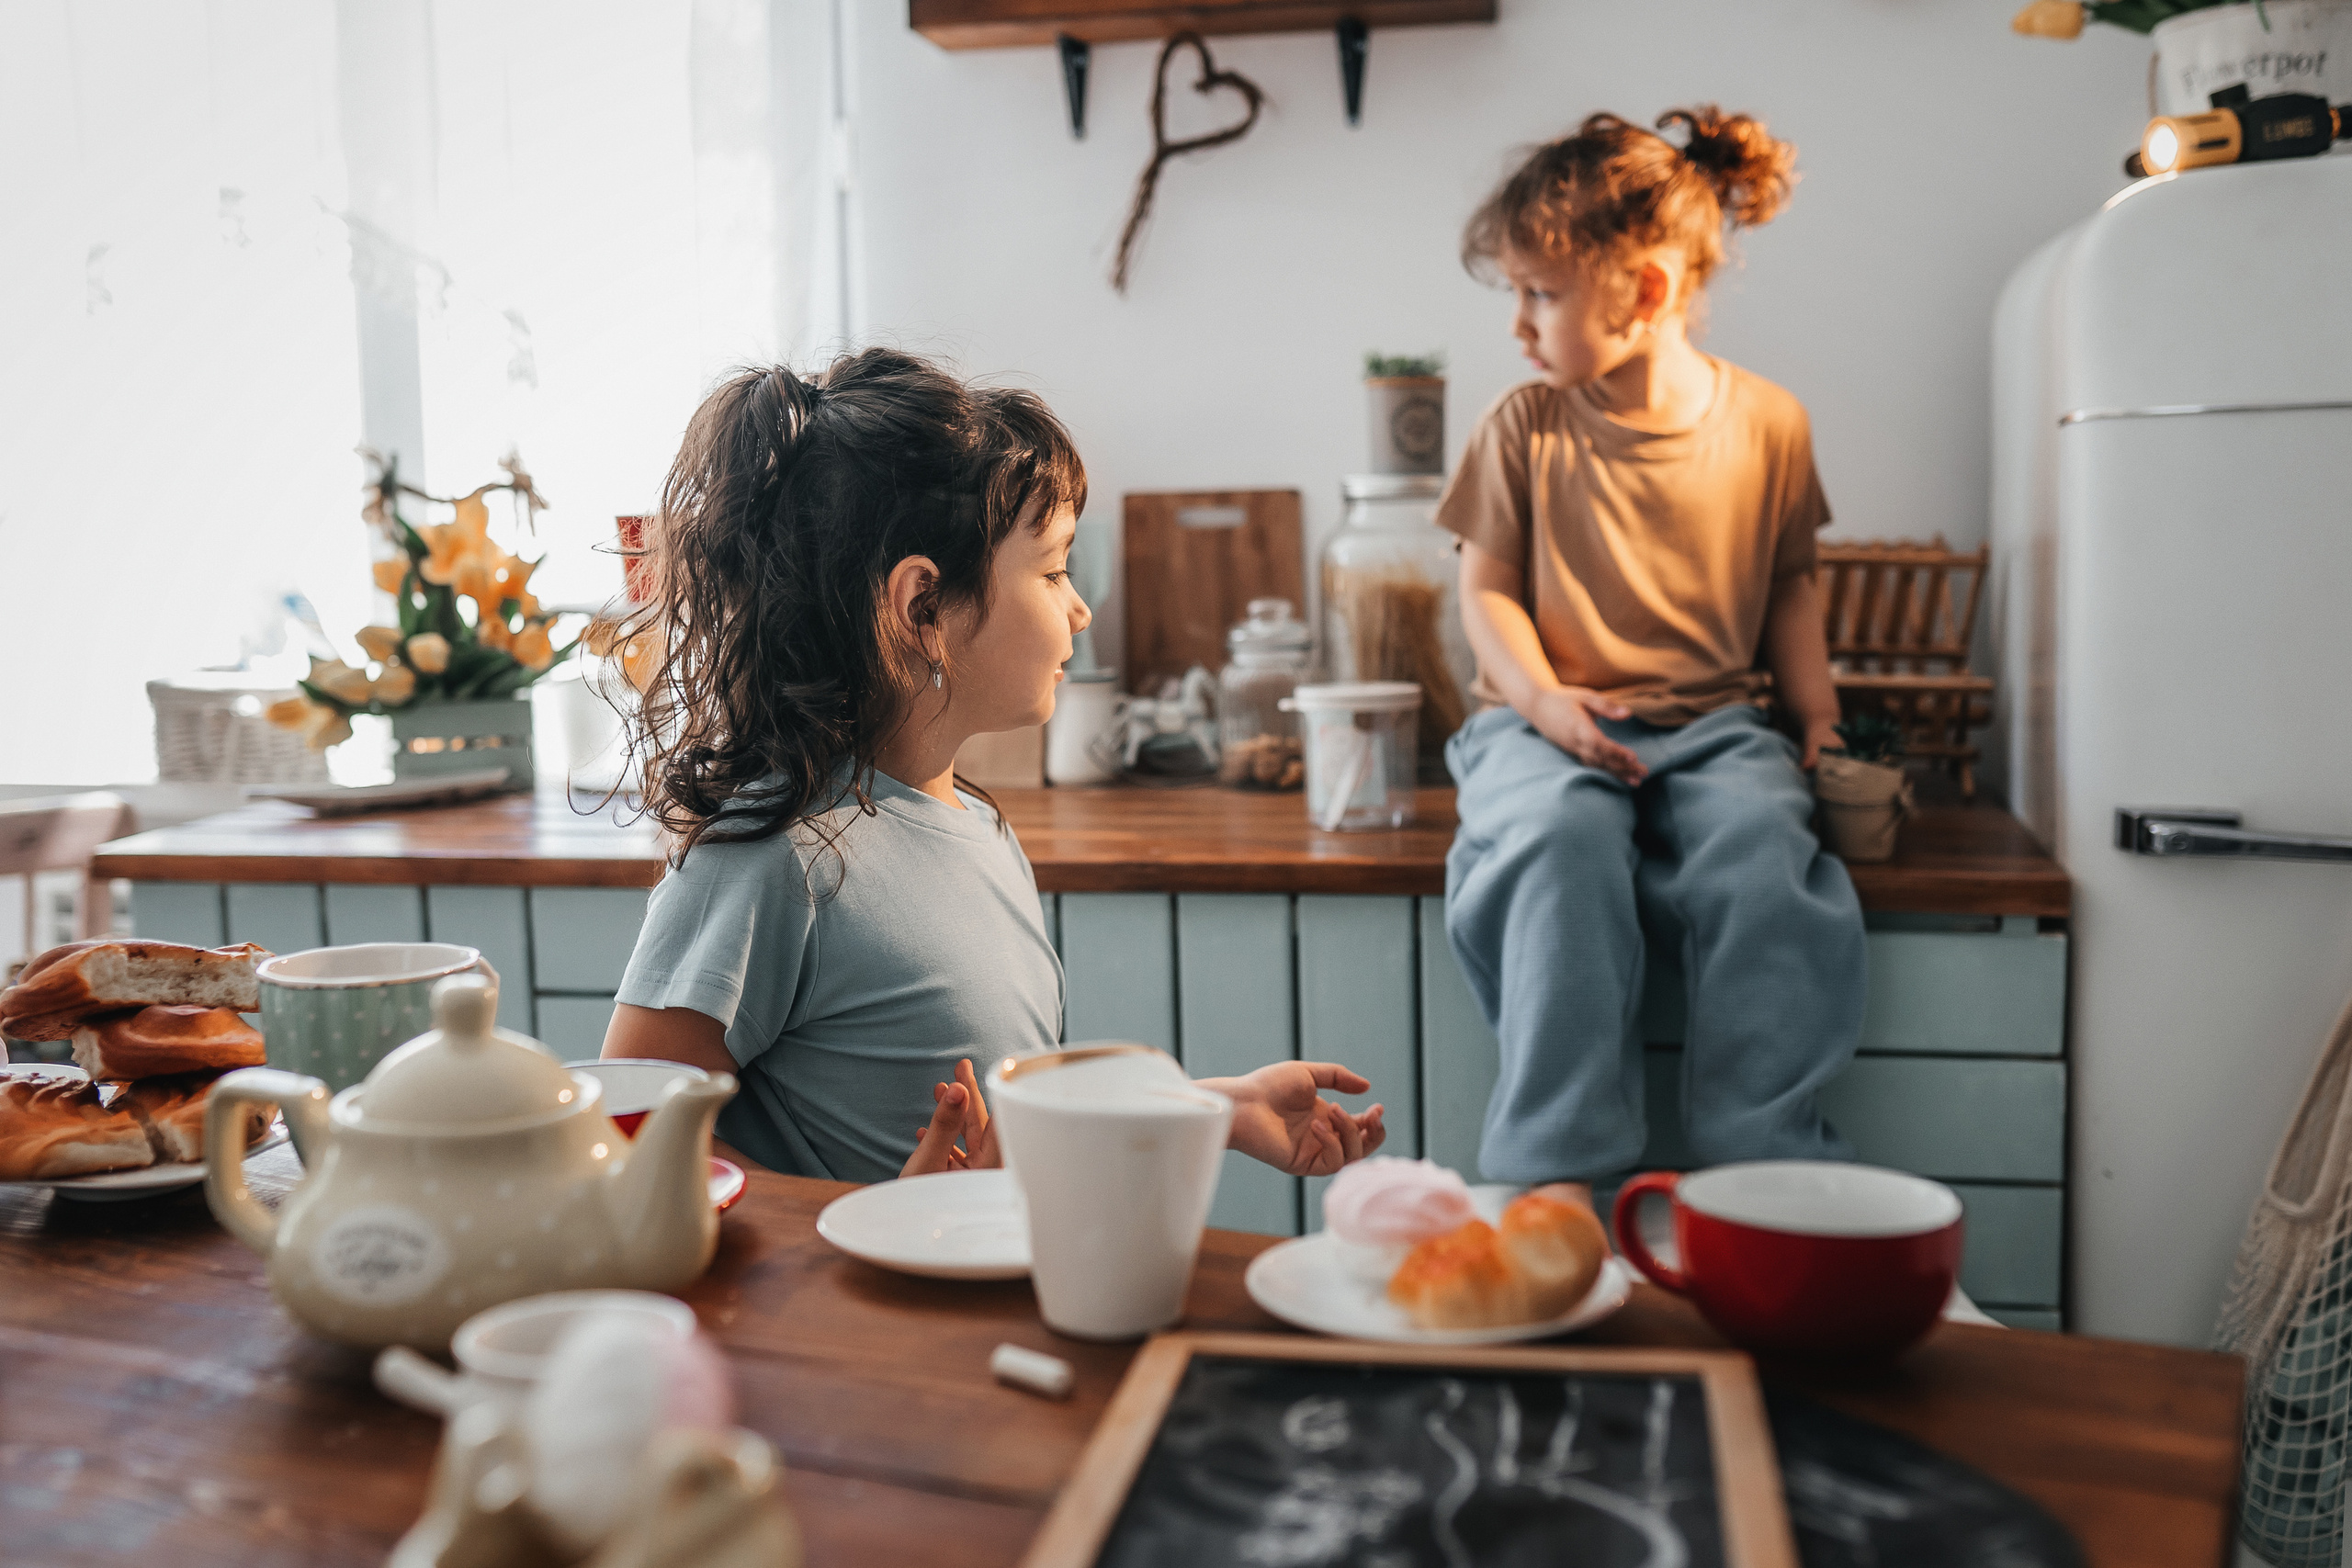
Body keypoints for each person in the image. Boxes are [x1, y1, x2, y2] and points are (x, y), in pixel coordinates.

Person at [598, 350, 1387, 1183]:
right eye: (1052, 570)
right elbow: (628, 1128)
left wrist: (1216, 1107)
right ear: (923, 607)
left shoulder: (981, 825)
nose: (1080, 605)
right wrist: (857, 1224)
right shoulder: (771, 851)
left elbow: (1009, 1142)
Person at [1440, 107, 1865, 1203]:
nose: (1520, 324)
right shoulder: (1523, 425)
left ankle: (1760, 1169)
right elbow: (1483, 591)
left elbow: (1789, 588)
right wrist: (1543, 704)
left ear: (1645, 291)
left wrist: (1817, 719)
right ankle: (1560, 1174)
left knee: (1764, 853)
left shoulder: (1769, 424)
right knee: (1558, 840)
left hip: (1716, 727)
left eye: (1541, 293)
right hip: (1542, 723)